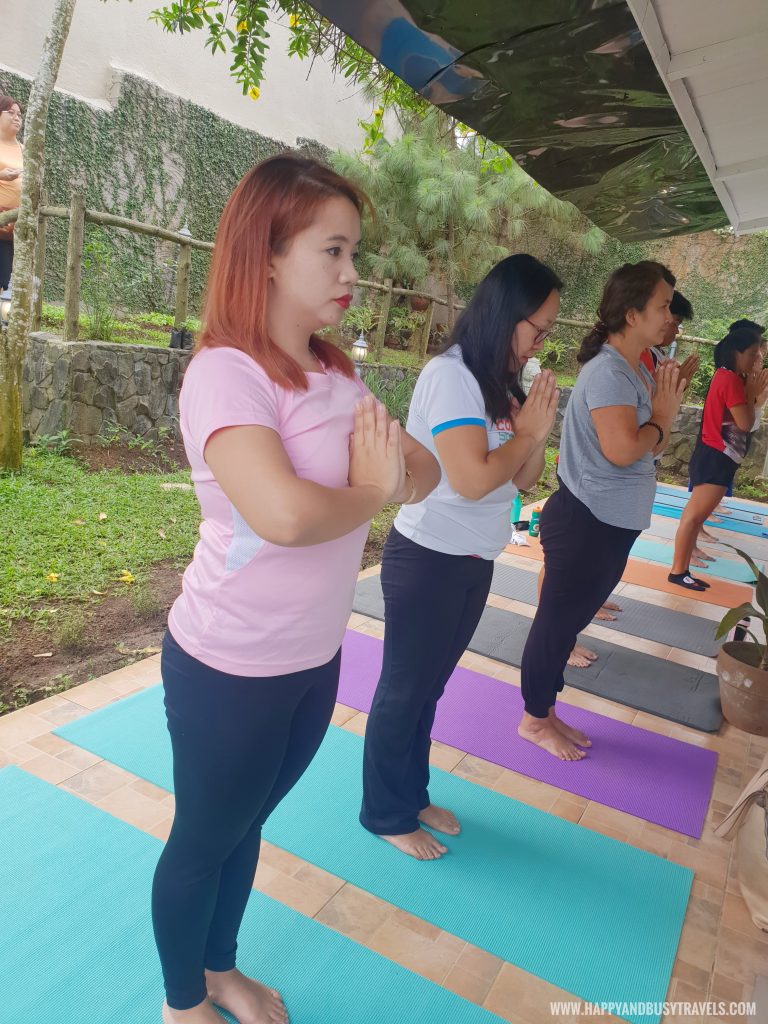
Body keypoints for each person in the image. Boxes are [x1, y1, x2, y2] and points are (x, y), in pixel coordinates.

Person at [152, 154, 440, 1024]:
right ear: (269, 253)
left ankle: (220, 967)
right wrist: (369, 489)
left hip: (314, 658)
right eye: (335, 250)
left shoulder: (335, 373)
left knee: (244, 828)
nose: (355, 275)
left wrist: (376, 484)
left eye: (355, 252)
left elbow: (422, 474)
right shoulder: (223, 373)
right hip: (228, 664)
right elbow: (280, 513)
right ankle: (180, 1001)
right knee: (205, 839)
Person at [360, 253, 562, 860]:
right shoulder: (450, 377)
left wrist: (537, 434)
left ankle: (412, 795)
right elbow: (473, 479)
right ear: (506, 315)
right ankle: (385, 813)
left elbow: (522, 479)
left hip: (472, 560)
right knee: (404, 690)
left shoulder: (498, 380)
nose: (538, 344)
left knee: (429, 691)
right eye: (538, 329)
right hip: (428, 558)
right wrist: (525, 435)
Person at [518, 261, 686, 760]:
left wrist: (658, 419)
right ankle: (533, 719)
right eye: (663, 306)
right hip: (587, 520)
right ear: (632, 314)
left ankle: (545, 711)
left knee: (566, 624)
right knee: (555, 625)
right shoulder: (611, 372)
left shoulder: (634, 367)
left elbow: (646, 448)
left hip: (608, 522)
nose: (670, 315)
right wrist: (661, 417)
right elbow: (622, 448)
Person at [668, 328, 768, 590]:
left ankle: (681, 569)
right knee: (693, 517)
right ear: (736, 353)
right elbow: (745, 423)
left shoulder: (728, 377)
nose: (756, 358)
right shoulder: (732, 381)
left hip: (715, 455)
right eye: (752, 353)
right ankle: (679, 571)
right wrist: (752, 393)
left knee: (694, 516)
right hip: (716, 456)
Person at [0, 96, 24, 290]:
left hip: (13, 228)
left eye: (19, 114)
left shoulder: (24, 150)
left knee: (3, 281)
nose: (17, 118)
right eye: (11, 113)